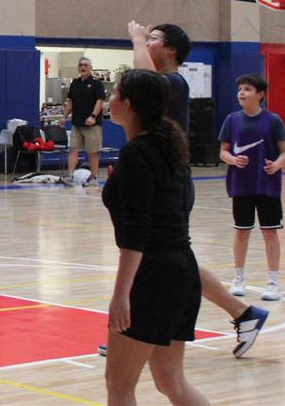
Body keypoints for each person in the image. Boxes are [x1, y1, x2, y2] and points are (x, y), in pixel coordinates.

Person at [128, 21, 269, 357]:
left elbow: (144, 81)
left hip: (171, 183)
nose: (147, 42)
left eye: (154, 39)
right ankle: (243, 313)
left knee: (158, 258)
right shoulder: (161, 83)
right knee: (163, 258)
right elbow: (141, 82)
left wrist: (136, 39)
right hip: (158, 180)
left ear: (171, 50)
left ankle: (135, 332)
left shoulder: (174, 82)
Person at [102, 68, 209, 406]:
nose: (110, 99)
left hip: (154, 273)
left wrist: (121, 294)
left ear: (129, 104)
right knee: (170, 382)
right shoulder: (164, 146)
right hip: (182, 270)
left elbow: (137, 231)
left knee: (119, 384)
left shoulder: (137, 153)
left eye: (115, 93)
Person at [218, 73, 285, 302]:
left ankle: (274, 282)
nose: (241, 93)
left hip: (267, 185)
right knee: (242, 231)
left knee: (270, 232)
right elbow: (223, 152)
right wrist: (232, 159)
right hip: (241, 185)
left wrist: (276, 165)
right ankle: (238, 278)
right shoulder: (232, 120)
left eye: (247, 89)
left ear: (260, 94)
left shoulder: (273, 120)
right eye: (240, 89)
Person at [64, 57, 105, 186]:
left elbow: (100, 101)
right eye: (80, 65)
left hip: (92, 124)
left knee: (92, 152)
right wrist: (64, 116)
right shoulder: (74, 83)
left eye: (85, 65)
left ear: (90, 68)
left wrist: (93, 116)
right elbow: (70, 101)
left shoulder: (97, 83)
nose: (82, 67)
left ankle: (93, 178)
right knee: (73, 149)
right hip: (77, 123)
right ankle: (70, 176)